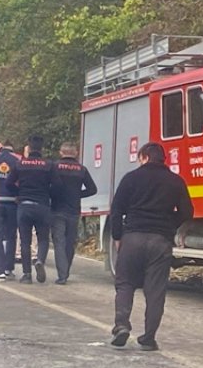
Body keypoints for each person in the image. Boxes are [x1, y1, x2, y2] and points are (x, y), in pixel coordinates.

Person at [107, 142, 193, 351]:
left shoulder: (131, 178)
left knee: (125, 283)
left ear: (144, 157)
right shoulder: (175, 181)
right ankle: (148, 337)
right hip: (160, 241)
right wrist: (168, 226)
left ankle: (121, 325)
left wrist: (118, 237)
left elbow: (116, 210)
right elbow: (187, 212)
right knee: (155, 290)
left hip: (133, 237)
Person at [50, 142, 97, 285]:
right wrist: (77, 194)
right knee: (70, 243)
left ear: (61, 152)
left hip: (57, 209)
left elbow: (48, 185)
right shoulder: (81, 169)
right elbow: (92, 189)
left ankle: (62, 274)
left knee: (59, 242)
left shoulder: (55, 167)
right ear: (75, 153)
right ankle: (66, 271)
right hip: (74, 210)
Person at [9, 136, 54, 284]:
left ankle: (27, 275)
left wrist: (18, 193)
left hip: (24, 205)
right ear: (41, 149)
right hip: (42, 205)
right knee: (43, 239)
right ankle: (40, 259)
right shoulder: (48, 165)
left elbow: (8, 183)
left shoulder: (20, 164)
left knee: (25, 241)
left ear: (28, 148)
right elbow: (57, 185)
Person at [0, 140, 22, 280]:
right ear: (12, 149)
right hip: (12, 201)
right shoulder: (18, 158)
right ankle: (8, 269)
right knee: (11, 236)